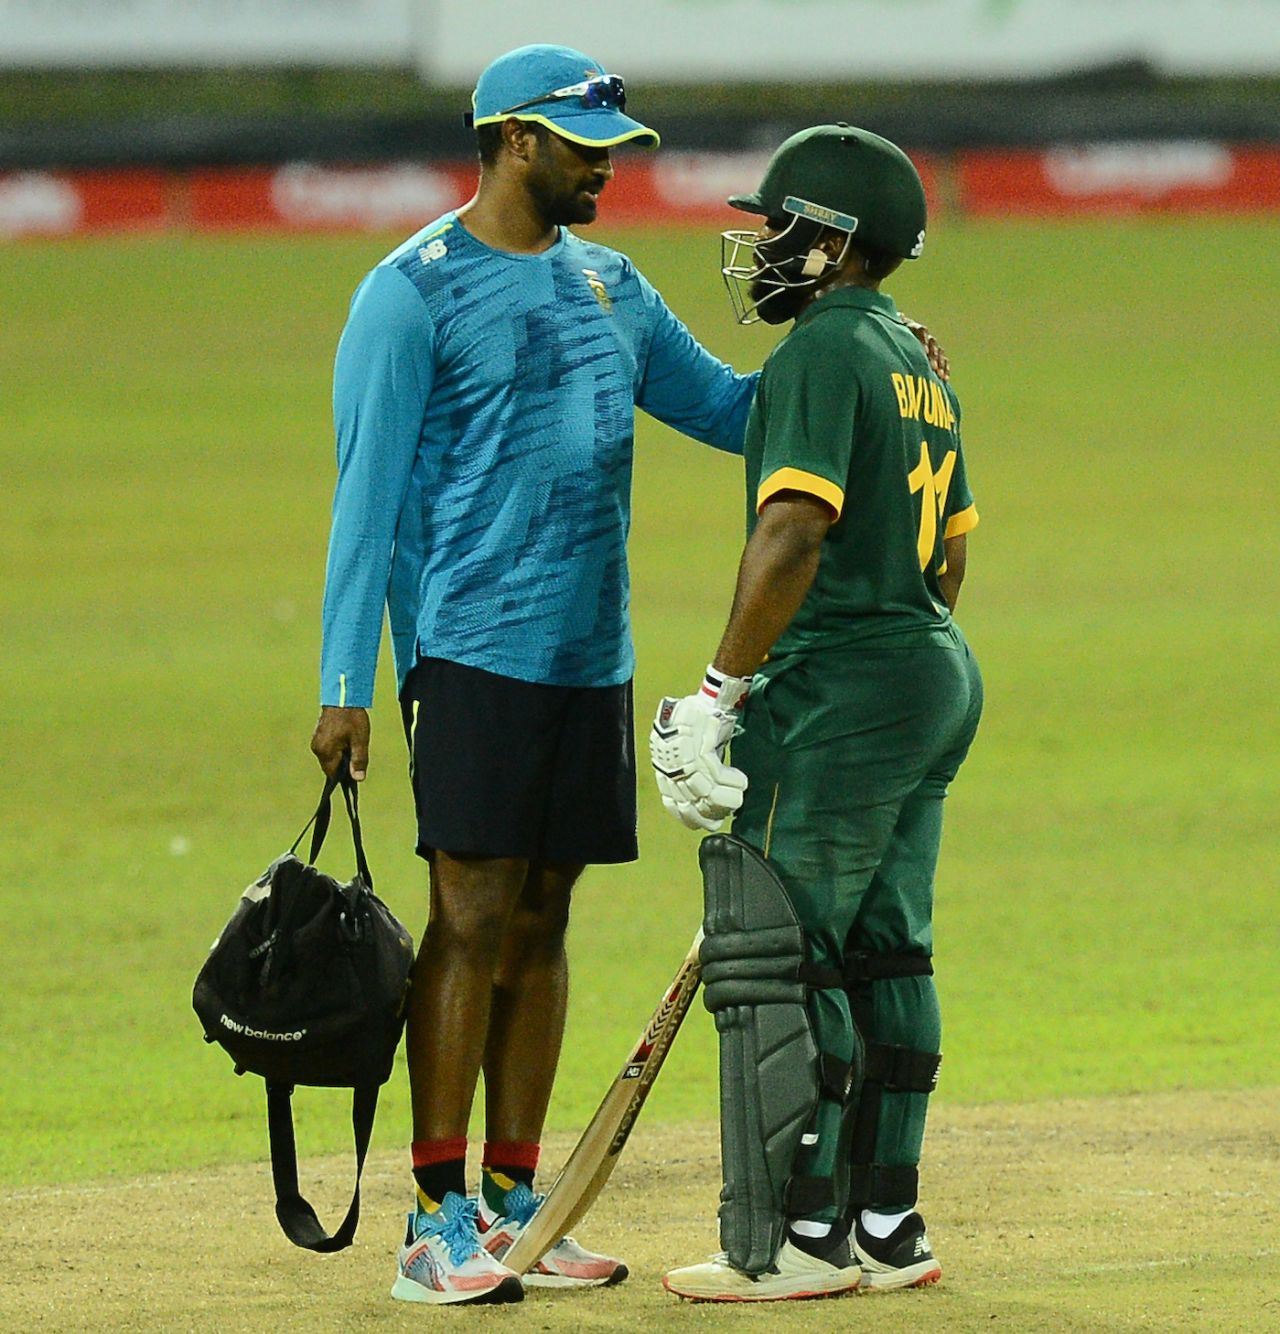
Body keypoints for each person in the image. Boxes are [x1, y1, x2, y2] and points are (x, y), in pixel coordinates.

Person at [311, 43, 948, 1304]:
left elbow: (732, 411)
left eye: (612, 145)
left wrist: (864, 356)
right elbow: (363, 502)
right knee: (468, 917)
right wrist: (345, 682)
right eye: (581, 144)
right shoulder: (409, 292)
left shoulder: (611, 285)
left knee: (543, 924)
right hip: (470, 654)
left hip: (588, 659)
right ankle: (433, 1215)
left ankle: (511, 1198)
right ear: (508, 141)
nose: (606, 164)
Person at [650, 124, 983, 1303]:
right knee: (886, 946)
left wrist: (717, 694)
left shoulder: (818, 356)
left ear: (832, 240)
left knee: (780, 956)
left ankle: (793, 1239)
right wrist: (896, 657)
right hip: (931, 667)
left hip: (844, 681)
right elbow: (948, 557)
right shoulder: (912, 354)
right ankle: (887, 1224)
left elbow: (792, 527)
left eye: (779, 226)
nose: (762, 246)